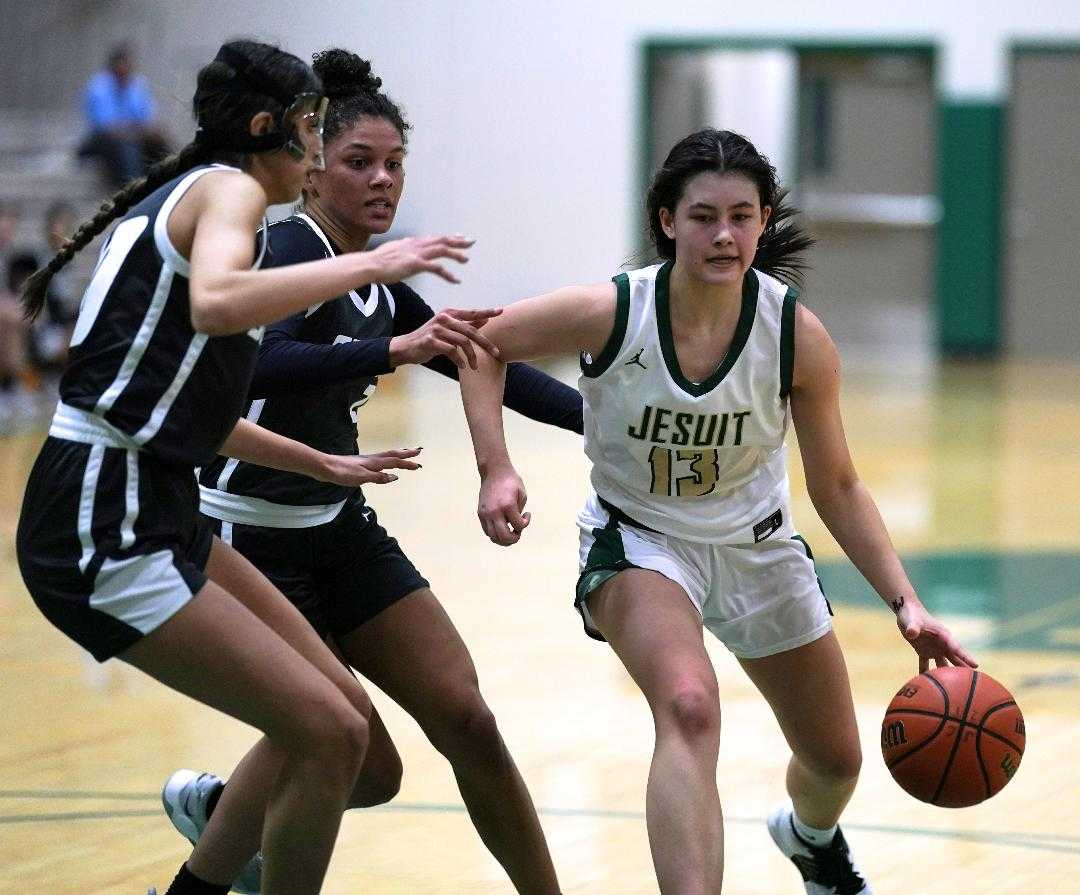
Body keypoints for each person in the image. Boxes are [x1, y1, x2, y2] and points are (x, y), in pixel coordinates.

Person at [457, 128, 978, 895]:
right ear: (667, 220)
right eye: (703, 216)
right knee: (691, 707)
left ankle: (811, 839)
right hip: (641, 541)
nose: (723, 234)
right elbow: (480, 346)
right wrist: (495, 466)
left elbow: (836, 484)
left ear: (764, 220)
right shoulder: (613, 308)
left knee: (837, 759)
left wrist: (906, 602)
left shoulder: (794, 334)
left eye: (741, 215)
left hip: (757, 546)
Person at [17, 38, 483, 895]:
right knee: (328, 734)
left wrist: (318, 462)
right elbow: (219, 302)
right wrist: (375, 260)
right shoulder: (227, 191)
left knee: (343, 725)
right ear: (271, 128)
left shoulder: (196, 201)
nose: (315, 148)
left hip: (155, 502)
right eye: (311, 128)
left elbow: (189, 407)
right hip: (100, 519)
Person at [158, 48, 576, 895]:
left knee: (468, 717)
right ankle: (221, 833)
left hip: (336, 529)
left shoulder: (378, 280)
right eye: (358, 162)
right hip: (248, 538)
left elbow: (480, 355)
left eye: (394, 164)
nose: (382, 180)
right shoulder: (287, 250)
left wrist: (616, 421)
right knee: (362, 762)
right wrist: (392, 348)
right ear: (312, 171)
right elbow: (260, 365)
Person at [78, 43, 172, 188]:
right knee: (128, 148)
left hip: (131, 135)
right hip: (101, 139)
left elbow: (145, 118)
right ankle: (130, 189)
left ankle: (168, 183)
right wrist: (133, 131)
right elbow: (106, 126)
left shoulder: (137, 84)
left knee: (159, 141)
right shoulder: (99, 85)